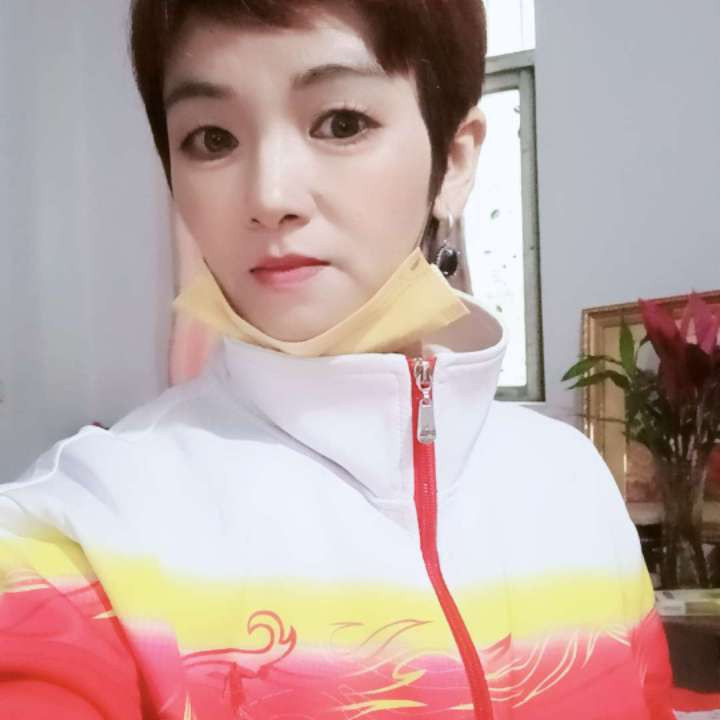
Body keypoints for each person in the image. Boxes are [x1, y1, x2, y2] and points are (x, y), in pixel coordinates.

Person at [0, 1, 675, 718]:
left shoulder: (573, 484)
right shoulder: (88, 532)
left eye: (341, 123)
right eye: (212, 138)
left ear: (453, 160)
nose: (270, 197)